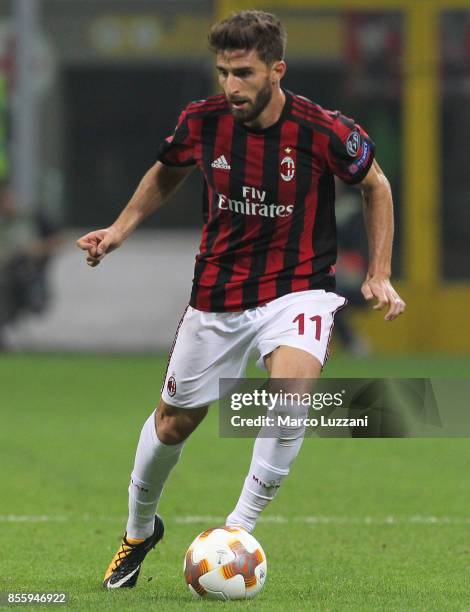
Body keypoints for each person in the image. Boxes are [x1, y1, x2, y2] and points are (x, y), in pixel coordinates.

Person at [77, 10, 405, 590]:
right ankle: (138, 530)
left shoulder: (323, 129)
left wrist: (379, 273)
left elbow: (375, 184)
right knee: (174, 424)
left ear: (276, 70)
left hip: (299, 286)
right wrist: (120, 229)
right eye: (224, 72)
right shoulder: (202, 122)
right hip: (218, 296)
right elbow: (167, 169)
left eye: (245, 73)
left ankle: (237, 533)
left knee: (289, 395)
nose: (231, 86)